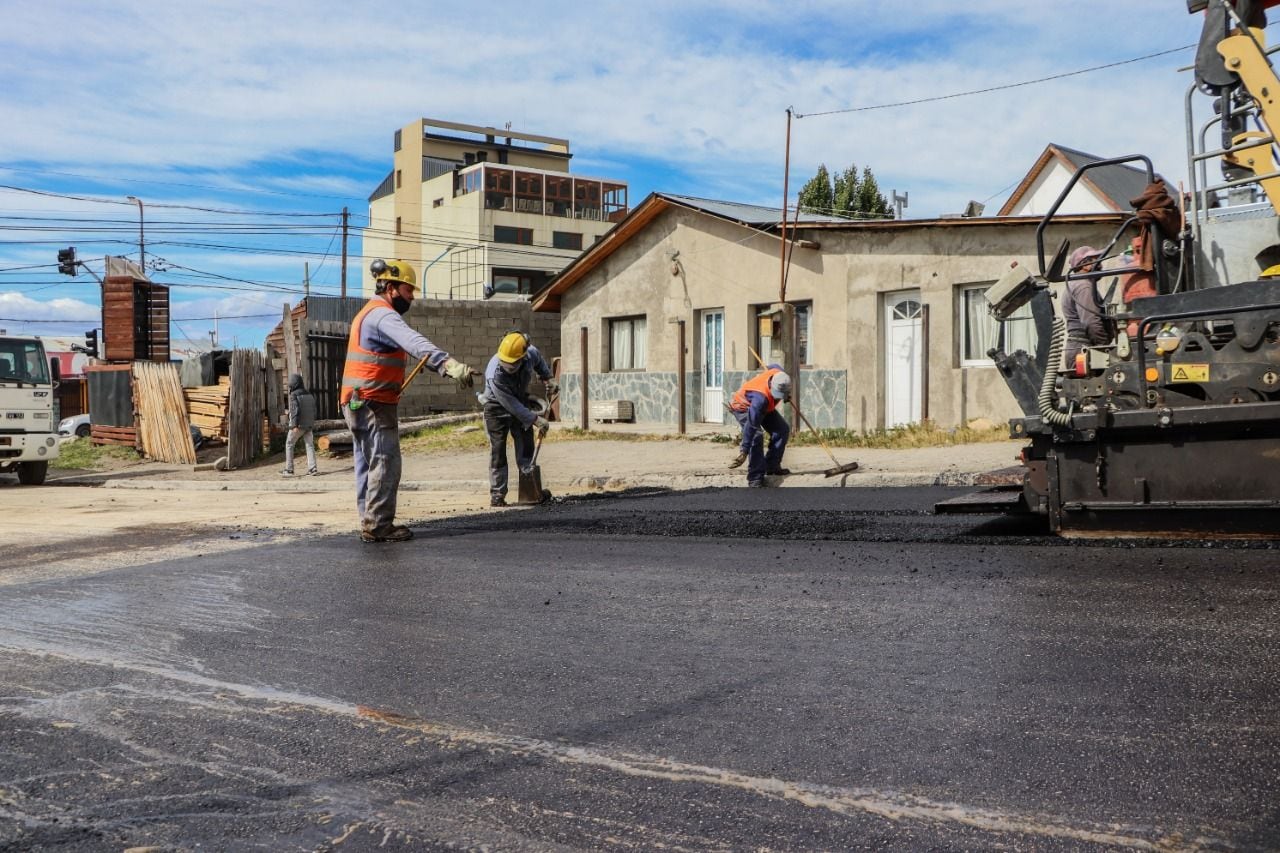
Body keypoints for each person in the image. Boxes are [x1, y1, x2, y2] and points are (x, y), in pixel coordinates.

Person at [340, 258, 474, 543]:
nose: (412, 296)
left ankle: (369, 518)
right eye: (408, 290)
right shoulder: (383, 315)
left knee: (368, 462)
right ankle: (378, 525)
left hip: (357, 401)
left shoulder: (368, 313)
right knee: (386, 462)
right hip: (373, 402)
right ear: (390, 288)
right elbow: (415, 343)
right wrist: (448, 365)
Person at [478, 331, 556, 507]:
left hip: (519, 400)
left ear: (522, 357)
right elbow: (510, 404)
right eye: (505, 363)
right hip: (496, 407)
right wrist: (535, 419)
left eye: (512, 365)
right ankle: (497, 495)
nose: (508, 367)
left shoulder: (531, 354)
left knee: (526, 447)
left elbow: (539, 363)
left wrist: (548, 378)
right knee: (497, 451)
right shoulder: (495, 373)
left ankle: (531, 491)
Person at [727, 364, 792, 488]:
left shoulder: (779, 373)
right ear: (772, 385)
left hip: (766, 406)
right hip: (743, 407)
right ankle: (755, 478)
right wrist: (744, 451)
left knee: (782, 429)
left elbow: (774, 365)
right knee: (756, 436)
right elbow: (751, 426)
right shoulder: (760, 399)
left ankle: (772, 466)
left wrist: (785, 396)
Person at [1061, 246, 1112, 368]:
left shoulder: (1078, 284)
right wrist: (1105, 348)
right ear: (1085, 264)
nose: (1101, 266)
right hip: (1084, 349)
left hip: (1081, 347)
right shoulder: (1084, 286)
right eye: (1097, 261)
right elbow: (1091, 322)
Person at [281, 373, 318, 476]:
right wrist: (311, 423)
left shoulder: (294, 395)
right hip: (309, 425)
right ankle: (313, 469)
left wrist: (294, 425)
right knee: (310, 445)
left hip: (299, 425)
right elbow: (314, 410)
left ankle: (289, 469)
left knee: (289, 444)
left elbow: (294, 410)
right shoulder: (309, 394)